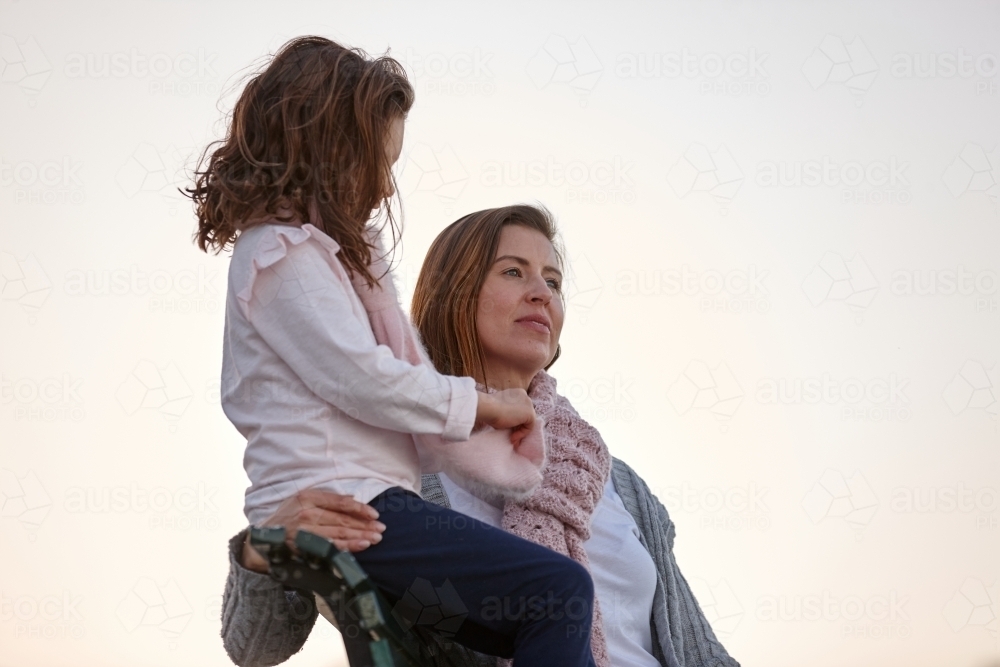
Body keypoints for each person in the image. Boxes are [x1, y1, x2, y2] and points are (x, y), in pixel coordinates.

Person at [189, 37, 599, 667]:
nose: (384, 187)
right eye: (375, 162)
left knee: (547, 604)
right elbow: (363, 379)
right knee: (560, 590)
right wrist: (481, 405)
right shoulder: (283, 255)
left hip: (374, 503)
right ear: (324, 147)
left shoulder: (314, 261)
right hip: (352, 506)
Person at [219, 205, 741, 667]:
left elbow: (700, 653)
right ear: (454, 293)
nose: (541, 293)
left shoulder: (616, 482)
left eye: (554, 282)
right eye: (513, 272)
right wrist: (262, 547)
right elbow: (255, 647)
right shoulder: (388, 459)